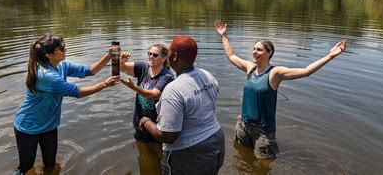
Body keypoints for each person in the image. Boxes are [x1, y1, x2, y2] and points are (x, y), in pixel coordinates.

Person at [214, 20, 347, 159]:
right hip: (243, 125)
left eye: (259, 49)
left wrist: (330, 56)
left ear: (269, 52)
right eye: (254, 49)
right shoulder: (250, 68)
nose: (254, 52)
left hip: (263, 131)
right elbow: (231, 56)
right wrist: (223, 36)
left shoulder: (275, 73)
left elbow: (305, 71)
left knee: (264, 165)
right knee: (243, 157)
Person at [12, 34, 121, 174]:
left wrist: (109, 56)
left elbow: (89, 71)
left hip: (49, 125)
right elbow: (77, 92)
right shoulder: (46, 75)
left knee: (51, 165)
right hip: (27, 127)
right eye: (60, 48)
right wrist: (105, 84)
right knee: (25, 168)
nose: (65, 49)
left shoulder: (62, 65)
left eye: (64, 46)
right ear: (48, 55)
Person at [139, 36, 225, 175]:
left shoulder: (173, 89)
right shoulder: (207, 75)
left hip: (190, 152)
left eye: (169, 52)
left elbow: (168, 136)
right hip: (217, 141)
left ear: (175, 56)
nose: (168, 55)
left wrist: (146, 122)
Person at [119, 44, 174, 174]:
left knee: (159, 159)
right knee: (144, 158)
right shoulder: (143, 67)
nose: (150, 57)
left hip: (157, 127)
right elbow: (121, 69)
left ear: (164, 58)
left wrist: (134, 88)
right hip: (139, 122)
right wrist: (120, 61)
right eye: (149, 53)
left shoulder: (167, 76)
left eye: (155, 55)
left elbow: (153, 94)